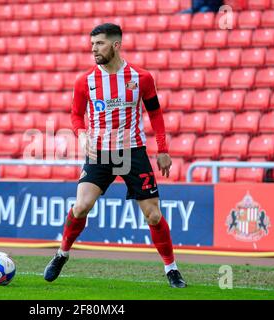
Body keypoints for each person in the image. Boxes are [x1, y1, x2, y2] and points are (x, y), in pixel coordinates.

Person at [43, 23, 186, 288]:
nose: (94, 49)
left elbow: (155, 113)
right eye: (92, 44)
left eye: (99, 44)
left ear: (116, 45)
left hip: (133, 151)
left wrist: (163, 150)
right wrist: (82, 134)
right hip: (99, 153)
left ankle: (171, 268)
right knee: (81, 206)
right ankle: (62, 253)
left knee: (153, 215)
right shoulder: (84, 81)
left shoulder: (141, 77)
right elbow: (76, 114)